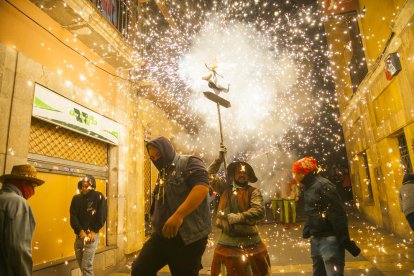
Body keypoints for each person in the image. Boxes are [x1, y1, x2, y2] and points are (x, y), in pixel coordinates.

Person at [131, 136, 211, 276]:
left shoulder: (189, 162)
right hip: (160, 237)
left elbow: (202, 187)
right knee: (140, 270)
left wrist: (179, 215)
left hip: (187, 239)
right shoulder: (163, 173)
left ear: (166, 150)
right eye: (152, 157)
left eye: (158, 155)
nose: (156, 159)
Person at [292, 157, 360, 276]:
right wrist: (308, 229)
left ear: (303, 173)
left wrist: (345, 240)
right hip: (316, 238)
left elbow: (338, 215)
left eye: (295, 173)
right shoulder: (309, 186)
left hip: (329, 240)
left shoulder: (323, 185)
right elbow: (313, 211)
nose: (293, 176)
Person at [208, 148, 271, 276]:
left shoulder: (254, 192)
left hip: (250, 239)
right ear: (233, 175)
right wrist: (219, 160)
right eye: (239, 173)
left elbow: (259, 211)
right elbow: (208, 175)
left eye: (245, 173)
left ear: (248, 176)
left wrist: (239, 217)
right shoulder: (225, 189)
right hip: (226, 239)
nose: (242, 175)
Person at [0, 164, 45, 276]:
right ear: (24, 183)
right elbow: (18, 249)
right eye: (33, 185)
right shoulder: (18, 203)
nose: (34, 191)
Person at [70, 175, 107, 276]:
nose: (84, 188)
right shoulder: (76, 198)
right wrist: (80, 231)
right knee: (82, 267)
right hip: (79, 237)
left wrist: (93, 231)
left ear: (92, 186)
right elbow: (73, 217)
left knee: (86, 267)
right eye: (82, 186)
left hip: (91, 237)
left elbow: (102, 215)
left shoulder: (98, 197)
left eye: (86, 186)